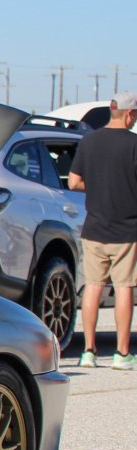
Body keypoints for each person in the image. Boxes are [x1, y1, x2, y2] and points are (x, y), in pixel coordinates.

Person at [69, 91, 137, 370]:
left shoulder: (89, 141)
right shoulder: (134, 144)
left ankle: (88, 350)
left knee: (93, 286)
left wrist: (96, 187)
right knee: (124, 288)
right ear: (129, 114)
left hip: (94, 227)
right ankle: (121, 354)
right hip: (128, 228)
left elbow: (73, 183)